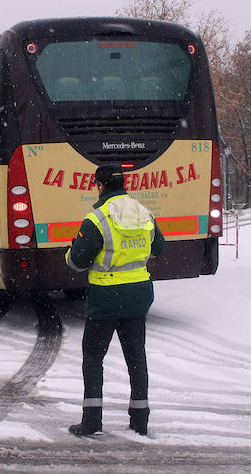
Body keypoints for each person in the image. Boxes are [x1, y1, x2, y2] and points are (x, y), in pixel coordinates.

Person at [64, 164, 165, 437]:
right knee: (136, 356)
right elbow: (159, 248)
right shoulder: (144, 212)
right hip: (138, 295)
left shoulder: (97, 218)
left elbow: (78, 262)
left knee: (94, 357)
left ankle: (92, 421)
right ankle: (140, 419)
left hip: (106, 298)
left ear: (100, 186)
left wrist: (70, 252)